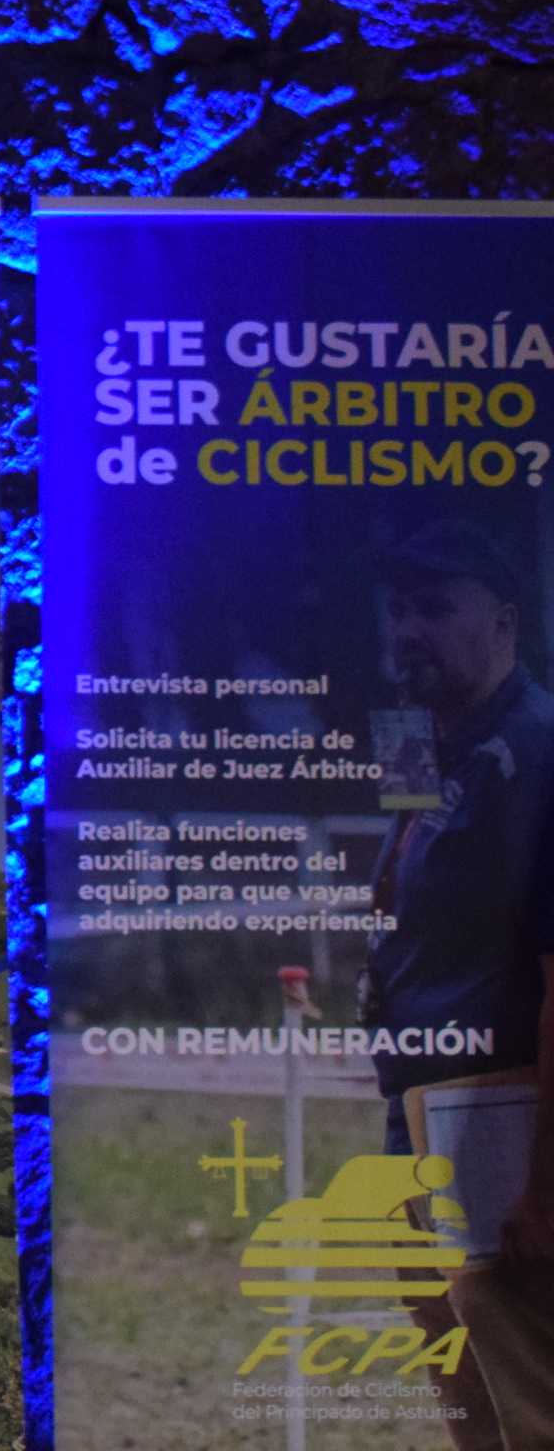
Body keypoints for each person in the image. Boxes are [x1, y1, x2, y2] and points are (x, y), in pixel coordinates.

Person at [360, 520, 554, 1450]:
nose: (408, 630)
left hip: (504, 1127)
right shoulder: (415, 738)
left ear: (505, 623)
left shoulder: (541, 751)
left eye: (436, 609)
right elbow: (398, 897)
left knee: (527, 1399)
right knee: (467, 1402)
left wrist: (545, 1187)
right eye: (397, 610)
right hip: (417, 1112)